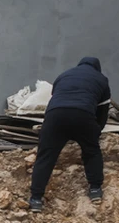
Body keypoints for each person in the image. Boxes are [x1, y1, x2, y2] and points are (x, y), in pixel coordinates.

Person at [29, 57, 111, 213]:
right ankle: (95, 189)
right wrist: (95, 132)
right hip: (83, 114)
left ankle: (36, 199)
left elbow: (56, 98)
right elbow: (103, 112)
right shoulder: (101, 79)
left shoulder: (64, 75)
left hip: (54, 116)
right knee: (91, 151)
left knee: (45, 156)